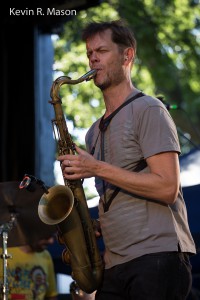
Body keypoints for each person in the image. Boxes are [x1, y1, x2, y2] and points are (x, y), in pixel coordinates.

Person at [58, 20, 196, 300]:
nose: (93, 58)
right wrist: (90, 226)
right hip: (114, 264)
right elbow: (116, 194)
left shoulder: (149, 109)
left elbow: (167, 188)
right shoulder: (93, 132)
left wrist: (96, 168)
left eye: (102, 51)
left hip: (156, 258)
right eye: (89, 53)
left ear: (127, 56)